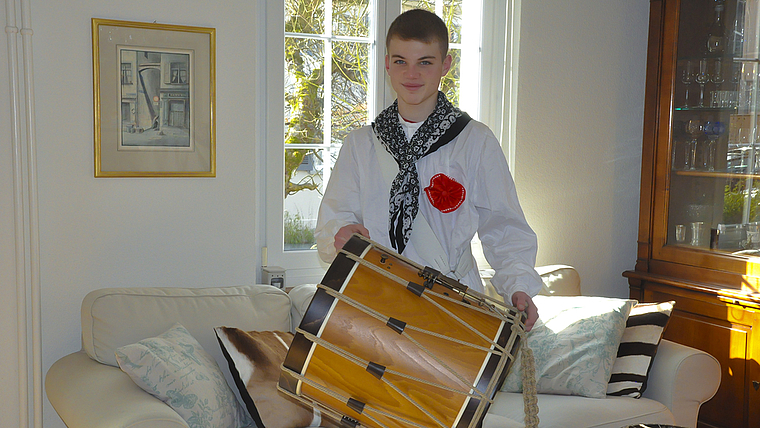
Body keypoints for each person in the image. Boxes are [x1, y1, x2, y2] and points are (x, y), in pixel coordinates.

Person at [315, 8, 540, 331]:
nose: (412, 74)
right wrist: (341, 234)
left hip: (453, 305)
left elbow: (504, 226)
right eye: (401, 61)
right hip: (378, 303)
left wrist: (519, 287)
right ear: (387, 64)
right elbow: (334, 221)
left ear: (445, 65)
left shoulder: (474, 141)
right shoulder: (361, 145)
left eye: (425, 62)